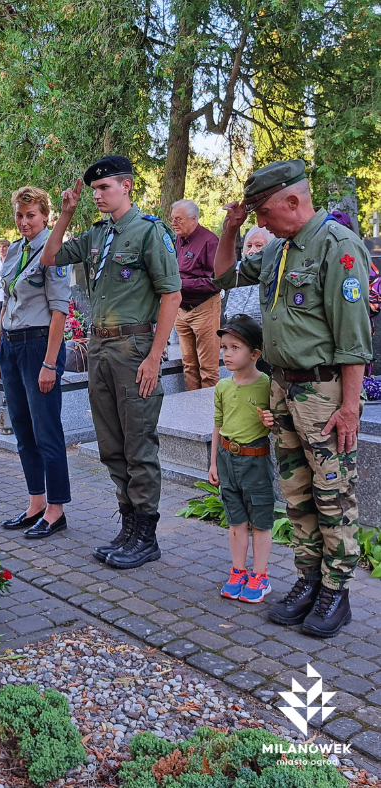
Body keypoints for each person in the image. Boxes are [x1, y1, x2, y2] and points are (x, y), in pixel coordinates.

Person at [212, 159, 372, 638]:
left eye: (263, 210)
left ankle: (335, 591)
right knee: (298, 493)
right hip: (281, 387)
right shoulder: (279, 249)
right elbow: (222, 275)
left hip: (323, 393)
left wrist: (349, 407)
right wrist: (230, 228)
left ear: (293, 200)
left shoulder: (338, 248)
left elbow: (354, 342)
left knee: (332, 493)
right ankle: (307, 580)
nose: (259, 221)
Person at [41, 155, 182, 569]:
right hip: (100, 350)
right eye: (95, 190)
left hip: (134, 349)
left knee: (139, 444)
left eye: (105, 188)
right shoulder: (97, 235)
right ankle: (128, 525)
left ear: (127, 187)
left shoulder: (149, 232)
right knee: (111, 445)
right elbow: (50, 257)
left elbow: (171, 296)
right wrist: (64, 215)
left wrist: (156, 357)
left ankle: (147, 535)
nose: (97, 195)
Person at [0, 188, 73, 538]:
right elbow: (7, 301)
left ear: (45, 217)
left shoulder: (53, 251)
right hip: (11, 345)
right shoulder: (14, 250)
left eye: (31, 215)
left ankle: (56, 510)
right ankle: (36, 503)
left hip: (39, 346)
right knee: (23, 431)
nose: (24, 222)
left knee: (46, 431)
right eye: (19, 216)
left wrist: (50, 364)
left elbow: (59, 311)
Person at [209, 315, 274, 603]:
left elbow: (280, 423)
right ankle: (238, 571)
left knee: (260, 520)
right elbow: (217, 424)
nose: (227, 354)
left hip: (255, 460)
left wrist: (272, 421)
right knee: (236, 521)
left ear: (255, 354)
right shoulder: (222, 386)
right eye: (224, 347)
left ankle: (260, 576)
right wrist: (213, 462)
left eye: (235, 348)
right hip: (227, 457)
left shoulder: (268, 385)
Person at [169, 199, 221, 390]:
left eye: (178, 219)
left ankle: (209, 415)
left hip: (204, 308)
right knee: (189, 366)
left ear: (193, 219)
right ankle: (192, 410)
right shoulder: (177, 239)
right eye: (172, 219)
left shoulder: (209, 241)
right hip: (181, 310)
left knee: (208, 369)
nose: (174, 223)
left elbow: (216, 281)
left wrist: (180, 283)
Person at [224, 227, 274, 322]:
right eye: (249, 246)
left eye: (259, 245)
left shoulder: (275, 277)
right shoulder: (238, 275)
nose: (251, 251)